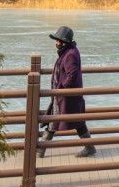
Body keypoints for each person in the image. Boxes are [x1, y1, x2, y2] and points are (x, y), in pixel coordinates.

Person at [38, 26, 96, 158]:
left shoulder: (70, 54)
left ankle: (40, 151)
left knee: (54, 121)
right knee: (78, 123)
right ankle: (90, 147)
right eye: (56, 40)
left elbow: (71, 76)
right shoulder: (69, 51)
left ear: (65, 41)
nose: (56, 43)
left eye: (58, 40)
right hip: (67, 97)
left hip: (65, 97)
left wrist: (60, 88)